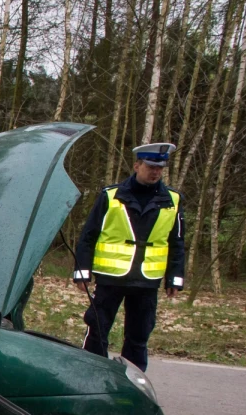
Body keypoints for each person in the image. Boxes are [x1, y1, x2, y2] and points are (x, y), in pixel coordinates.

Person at [74, 142, 185, 371]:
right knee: (98, 329)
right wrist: (82, 272)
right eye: (150, 166)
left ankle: (132, 383)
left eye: (159, 168)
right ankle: (91, 374)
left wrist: (175, 277)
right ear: (137, 165)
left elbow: (177, 241)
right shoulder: (111, 195)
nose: (155, 172)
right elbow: (89, 235)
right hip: (110, 277)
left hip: (146, 280)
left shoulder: (172, 200)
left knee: (139, 335)